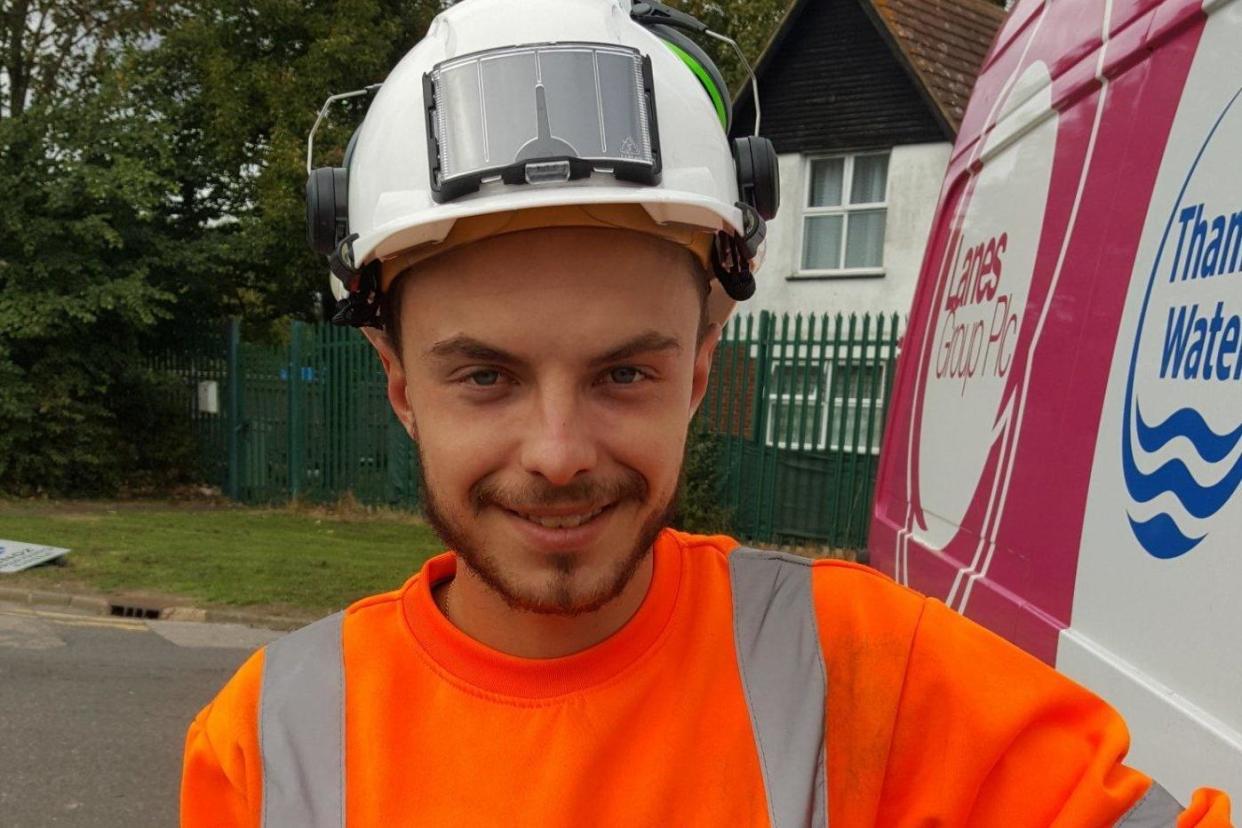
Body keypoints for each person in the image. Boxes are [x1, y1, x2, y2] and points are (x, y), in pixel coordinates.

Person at [180, 0, 1233, 825]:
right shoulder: (270, 743)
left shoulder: (873, 675)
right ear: (400, 381)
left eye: (624, 375)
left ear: (699, 370)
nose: (557, 454)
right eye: (486, 378)